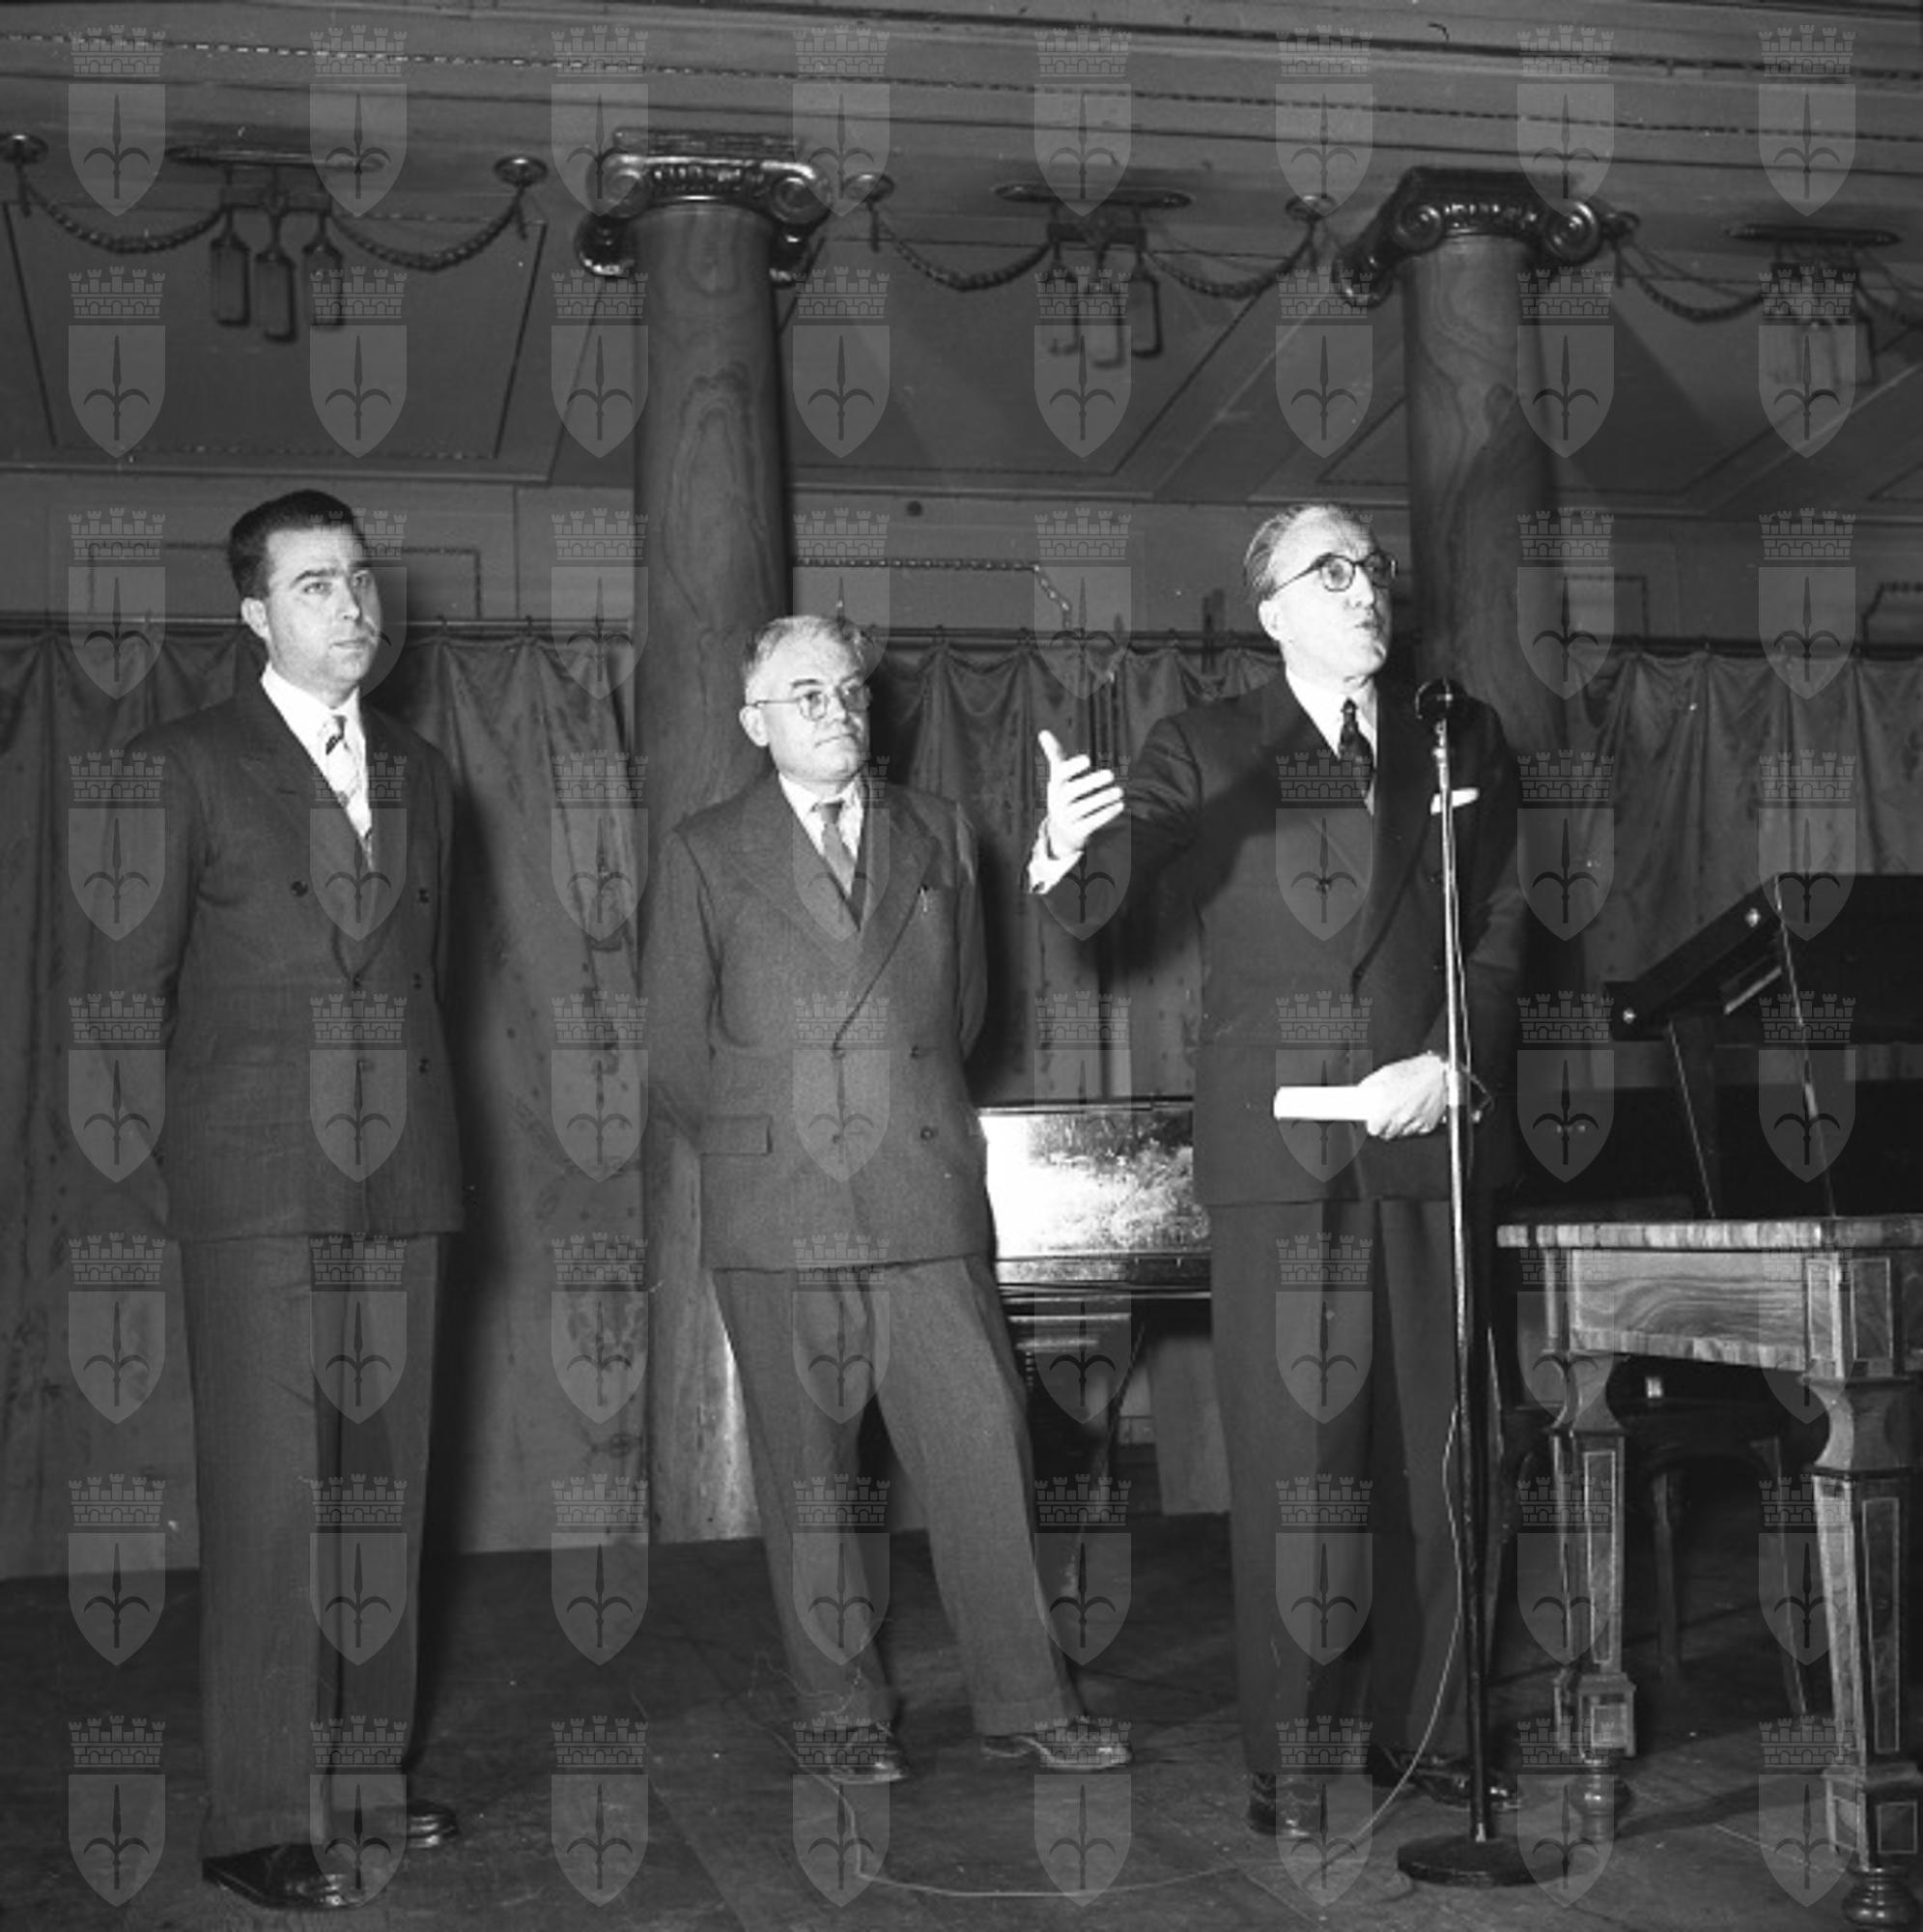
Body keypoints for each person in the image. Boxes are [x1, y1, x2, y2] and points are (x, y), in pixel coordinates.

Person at [1032, 502, 1527, 1833]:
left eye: (1371, 566)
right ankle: (1293, 1755)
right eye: (1330, 569)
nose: (1363, 587)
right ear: (1271, 612)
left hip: (1426, 1137)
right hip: (1281, 1148)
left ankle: (1433, 1729)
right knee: (1297, 1462)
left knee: (1439, 1456)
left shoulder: (1454, 733)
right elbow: (1112, 869)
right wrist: (1065, 851)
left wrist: (1450, 1062)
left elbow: (1498, 919)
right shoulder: (1204, 743)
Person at [640, 613, 1128, 1782]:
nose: (837, 709)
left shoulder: (940, 829)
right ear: (753, 722)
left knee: (982, 1449)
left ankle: (1024, 1696)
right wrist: (778, 1135)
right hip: (777, 1198)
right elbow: (675, 1057)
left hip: (920, 1186)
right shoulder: (703, 850)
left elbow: (962, 1015)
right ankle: (840, 1709)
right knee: (812, 1476)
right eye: (804, 693)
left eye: (850, 689)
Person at [85, 491, 464, 1910]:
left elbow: (428, 974)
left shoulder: (424, 772)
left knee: (383, 1496)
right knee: (270, 1505)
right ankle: (257, 1815)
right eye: (314, 585)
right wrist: (179, 1181)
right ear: (254, 614)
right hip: (251, 1183)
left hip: (404, 1176)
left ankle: (363, 1782)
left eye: (360, 578)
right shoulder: (177, 765)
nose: (352, 605)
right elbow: (119, 1001)